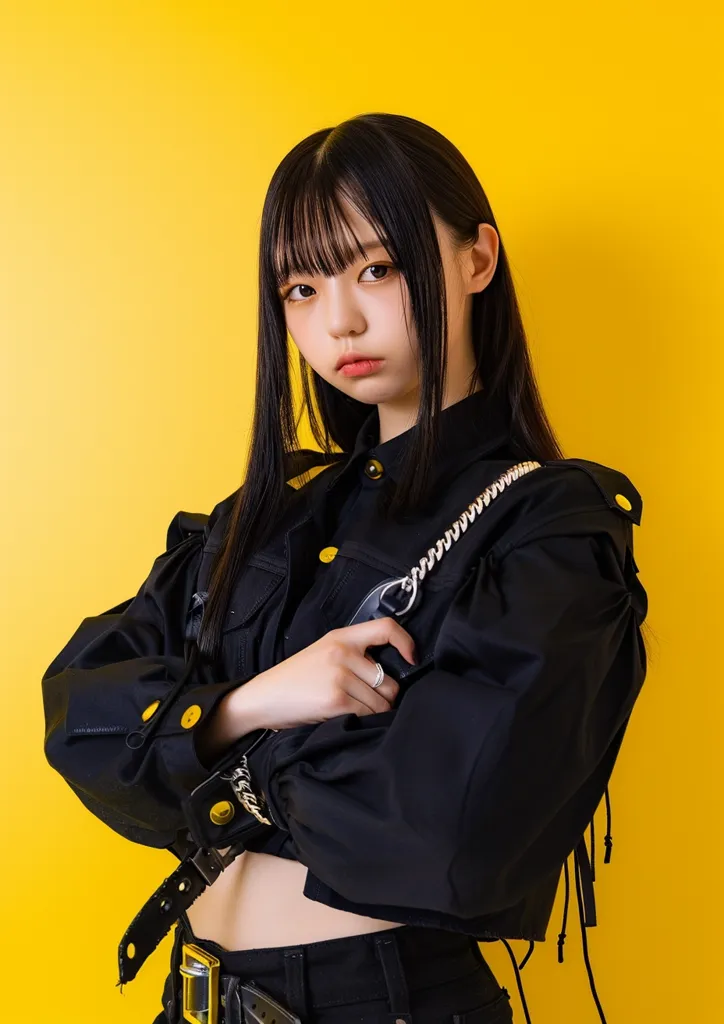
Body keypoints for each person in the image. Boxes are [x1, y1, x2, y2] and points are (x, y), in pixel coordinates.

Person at [41, 112, 650, 1024]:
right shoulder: (264, 513)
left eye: (378, 268)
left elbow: (451, 830)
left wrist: (196, 745)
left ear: (477, 259)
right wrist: (264, 698)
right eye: (300, 287)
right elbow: (81, 718)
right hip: (193, 1000)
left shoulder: (547, 528)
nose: (340, 320)